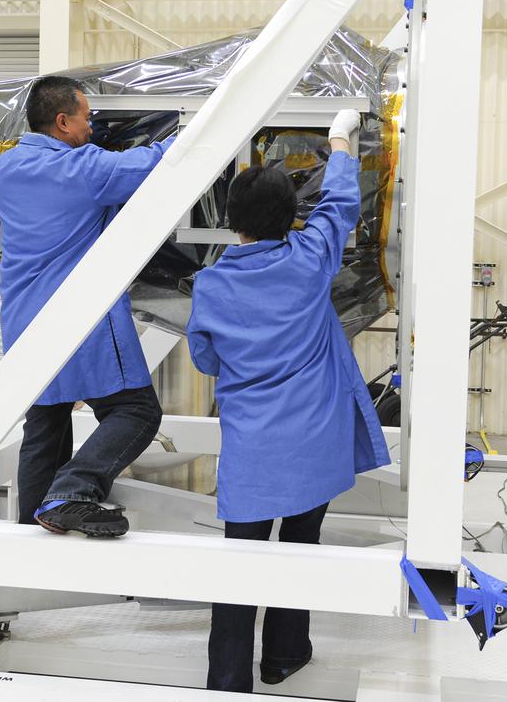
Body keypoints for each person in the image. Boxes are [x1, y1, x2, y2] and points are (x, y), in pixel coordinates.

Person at [186, 108, 391, 693]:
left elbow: (204, 358)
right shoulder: (309, 261)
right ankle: (284, 656)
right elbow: (340, 207)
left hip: (253, 451)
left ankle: (228, 679)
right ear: (290, 217)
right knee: (302, 552)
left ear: (231, 221)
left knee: (240, 569)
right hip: (314, 445)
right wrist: (339, 139)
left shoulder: (212, 284)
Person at [0, 75, 172, 538]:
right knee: (137, 411)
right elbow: (157, 164)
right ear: (61, 121)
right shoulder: (83, 170)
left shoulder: (8, 167)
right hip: (77, 321)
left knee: (45, 426)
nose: (92, 127)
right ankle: (74, 490)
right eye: (86, 118)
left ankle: (30, 536)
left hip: (22, 321)